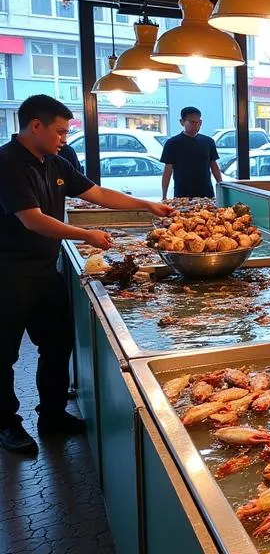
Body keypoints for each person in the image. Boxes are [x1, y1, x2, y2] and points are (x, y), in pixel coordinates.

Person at [0, 95, 172, 455]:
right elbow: (31, 219)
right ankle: (7, 424)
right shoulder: (7, 163)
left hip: (45, 271)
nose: (65, 138)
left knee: (56, 344)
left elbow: (98, 192)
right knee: (5, 355)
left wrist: (147, 204)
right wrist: (86, 236)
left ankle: (52, 414)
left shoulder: (55, 163)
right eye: (60, 131)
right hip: (9, 273)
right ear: (36, 125)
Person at [160, 106, 222, 199]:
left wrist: (220, 185)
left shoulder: (208, 142)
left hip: (206, 192)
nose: (196, 125)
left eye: (199, 122)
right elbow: (167, 171)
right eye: (192, 122)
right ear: (182, 122)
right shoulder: (172, 143)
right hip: (182, 192)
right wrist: (164, 195)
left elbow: (214, 166)